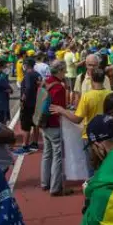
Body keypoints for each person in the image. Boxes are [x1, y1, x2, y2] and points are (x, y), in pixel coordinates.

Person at [52, 68, 112, 176]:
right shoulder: (111, 94)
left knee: (92, 166)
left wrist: (62, 110)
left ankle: (92, 188)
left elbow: (77, 119)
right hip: (108, 134)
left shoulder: (87, 97)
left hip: (90, 135)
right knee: (108, 164)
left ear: (92, 80)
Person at [41, 60, 69, 195]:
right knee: (58, 156)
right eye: (64, 70)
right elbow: (59, 108)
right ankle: (55, 187)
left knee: (47, 154)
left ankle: (45, 182)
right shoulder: (59, 87)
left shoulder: (45, 82)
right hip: (54, 124)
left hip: (43, 122)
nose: (65, 73)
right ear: (59, 71)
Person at [16, 58, 41, 154]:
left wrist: (23, 100)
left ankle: (25, 146)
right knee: (35, 124)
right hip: (37, 103)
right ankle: (35, 143)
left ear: (27, 65)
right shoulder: (37, 75)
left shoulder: (28, 75)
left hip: (28, 104)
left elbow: (28, 88)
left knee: (25, 125)